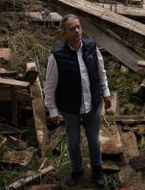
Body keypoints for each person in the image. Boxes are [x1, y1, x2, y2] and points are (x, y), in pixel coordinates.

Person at [43, 14, 112, 188]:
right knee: (73, 140)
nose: (77, 31)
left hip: (93, 102)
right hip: (70, 107)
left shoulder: (91, 47)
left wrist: (106, 93)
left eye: (79, 27)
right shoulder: (57, 56)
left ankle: (97, 169)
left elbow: (100, 72)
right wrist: (53, 110)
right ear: (64, 33)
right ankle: (77, 170)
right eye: (72, 28)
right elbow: (49, 87)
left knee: (94, 139)